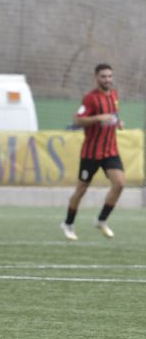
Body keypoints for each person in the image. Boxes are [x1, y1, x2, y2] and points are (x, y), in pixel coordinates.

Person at [60, 63, 125, 240]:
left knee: (119, 184)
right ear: (96, 77)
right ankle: (68, 223)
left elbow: (114, 115)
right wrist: (98, 118)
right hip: (91, 153)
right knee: (81, 189)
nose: (107, 79)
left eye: (110, 76)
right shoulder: (90, 98)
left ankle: (101, 219)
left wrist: (118, 122)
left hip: (110, 150)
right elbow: (77, 120)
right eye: (103, 76)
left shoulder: (114, 95)